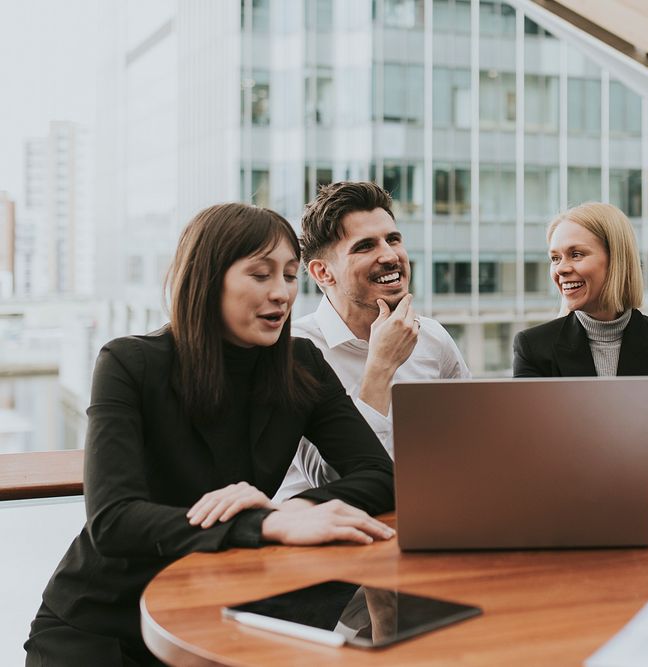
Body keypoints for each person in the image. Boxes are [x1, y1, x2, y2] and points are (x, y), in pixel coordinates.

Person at [25, 203, 396, 666]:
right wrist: (261, 523)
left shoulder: (301, 365)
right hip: (99, 623)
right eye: (260, 275)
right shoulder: (130, 363)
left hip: (211, 615)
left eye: (288, 276)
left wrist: (291, 510)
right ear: (207, 279)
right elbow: (114, 521)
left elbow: (380, 474)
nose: (281, 293)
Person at [274, 182, 469, 502]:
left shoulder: (432, 337)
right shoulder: (294, 352)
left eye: (393, 239)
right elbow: (331, 480)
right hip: (329, 537)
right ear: (323, 272)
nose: (391, 256)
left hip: (428, 513)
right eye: (365, 246)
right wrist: (380, 366)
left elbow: (472, 439)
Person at [512, 202, 648, 499]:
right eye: (555, 258)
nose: (561, 269)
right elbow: (530, 459)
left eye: (576, 254)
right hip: (565, 518)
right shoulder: (533, 347)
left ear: (617, 259)